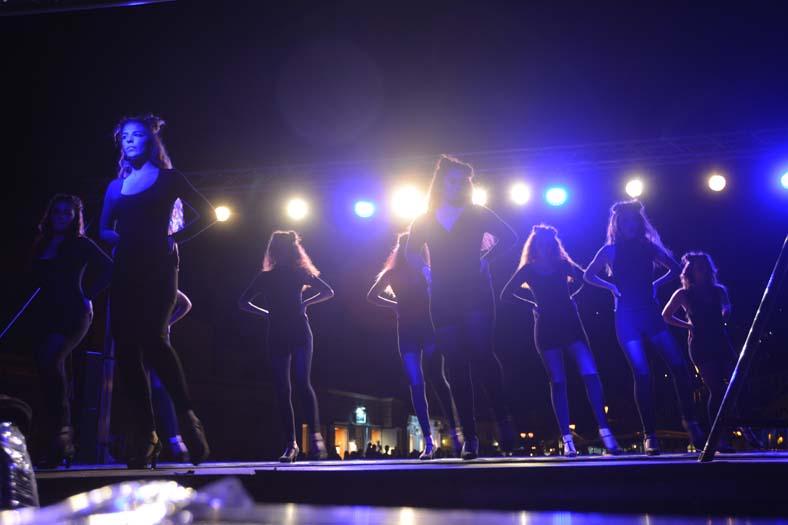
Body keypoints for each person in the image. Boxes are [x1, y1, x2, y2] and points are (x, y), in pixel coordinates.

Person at [99, 114, 213, 468]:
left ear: (150, 140)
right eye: (125, 137)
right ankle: (146, 435)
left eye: (136, 135)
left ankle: (187, 418)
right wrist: (122, 241)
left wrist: (171, 239)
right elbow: (103, 229)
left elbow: (208, 214)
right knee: (126, 350)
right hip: (125, 270)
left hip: (159, 268)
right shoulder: (116, 187)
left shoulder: (169, 178)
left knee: (153, 339)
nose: (130, 141)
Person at [406, 155, 517, 459]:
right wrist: (426, 271)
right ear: (441, 184)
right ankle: (470, 437)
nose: (457, 186)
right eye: (452, 181)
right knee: (455, 363)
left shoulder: (477, 213)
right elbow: (410, 252)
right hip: (443, 294)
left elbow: (510, 237)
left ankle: (502, 418)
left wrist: (485, 260)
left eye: (462, 181)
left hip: (475, 290)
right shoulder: (425, 219)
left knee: (481, 353)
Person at [584, 200, 705, 455]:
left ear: (639, 223)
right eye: (626, 221)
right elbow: (588, 275)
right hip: (627, 318)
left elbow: (676, 268)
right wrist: (611, 287)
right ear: (618, 224)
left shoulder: (648, 247)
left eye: (634, 221)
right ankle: (650, 435)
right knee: (642, 374)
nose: (630, 225)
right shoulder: (610, 250)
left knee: (679, 366)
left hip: (651, 314)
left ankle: (690, 422)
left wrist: (655, 284)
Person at [501, 225, 621, 456]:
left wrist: (573, 298)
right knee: (558, 381)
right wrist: (533, 306)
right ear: (535, 245)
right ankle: (567, 440)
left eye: (550, 243)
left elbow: (585, 278)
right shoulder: (528, 269)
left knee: (590, 373)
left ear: (554, 244)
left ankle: (605, 430)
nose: (546, 246)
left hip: (571, 324)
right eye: (542, 243)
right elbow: (505, 294)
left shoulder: (562, 264)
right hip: (546, 327)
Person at [29, 194, 112, 467]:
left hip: (74, 312)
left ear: (76, 217)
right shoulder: (42, 242)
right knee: (47, 370)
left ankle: (63, 434)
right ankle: (55, 438)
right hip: (45, 314)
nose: (61, 216)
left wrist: (89, 295)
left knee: (50, 362)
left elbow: (110, 269)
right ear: (50, 214)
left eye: (67, 212)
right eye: (57, 212)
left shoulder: (81, 243)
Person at [238, 230, 334, 462]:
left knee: (299, 383)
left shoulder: (297, 273)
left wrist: (304, 304)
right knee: (285, 388)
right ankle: (293, 444)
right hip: (280, 332)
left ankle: (313, 438)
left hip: (297, 331)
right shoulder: (267, 277)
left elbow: (328, 291)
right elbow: (242, 302)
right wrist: (268, 313)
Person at [367, 232, 462, 459]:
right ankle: (429, 441)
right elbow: (371, 296)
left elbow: (442, 294)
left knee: (436, 378)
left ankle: (455, 431)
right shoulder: (394, 273)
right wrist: (394, 306)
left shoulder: (425, 270)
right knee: (417, 384)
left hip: (427, 329)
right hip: (409, 332)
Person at [662, 252, 760, 452]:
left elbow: (726, 309)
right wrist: (688, 326)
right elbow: (666, 315)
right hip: (701, 344)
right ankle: (718, 438)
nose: (704, 271)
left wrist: (725, 314)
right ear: (691, 271)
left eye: (706, 267)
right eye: (700, 267)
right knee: (717, 390)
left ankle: (745, 428)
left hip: (721, 341)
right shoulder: (683, 294)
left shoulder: (718, 290)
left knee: (738, 384)